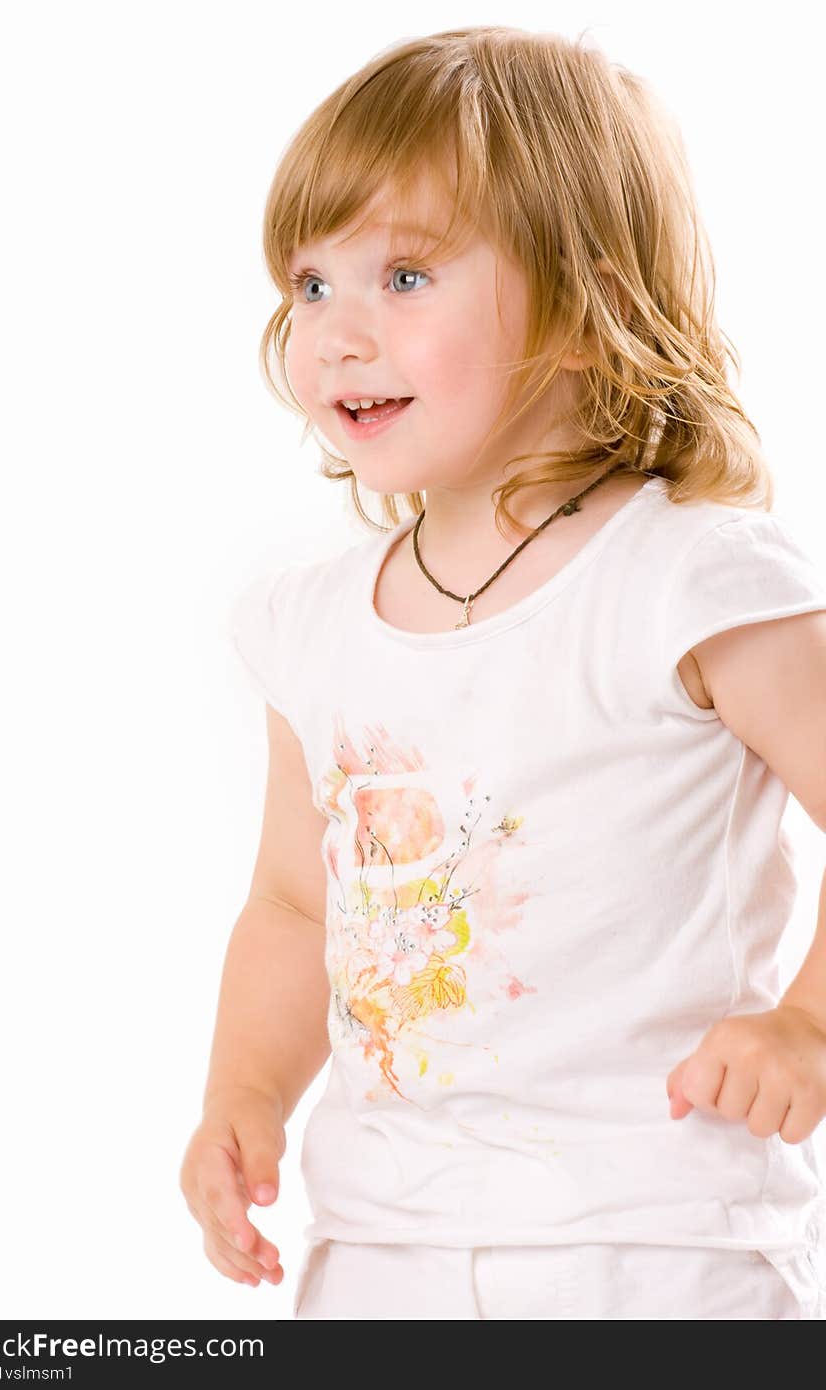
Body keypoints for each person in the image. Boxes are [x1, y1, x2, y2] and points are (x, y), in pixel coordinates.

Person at [179, 26, 826, 1318]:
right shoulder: (310, 625)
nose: (338, 334)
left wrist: (805, 1022)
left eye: (405, 274)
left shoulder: (689, 581)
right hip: (374, 1246)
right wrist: (243, 1093)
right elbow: (298, 907)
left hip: (658, 1243)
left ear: (587, 309)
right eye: (310, 284)